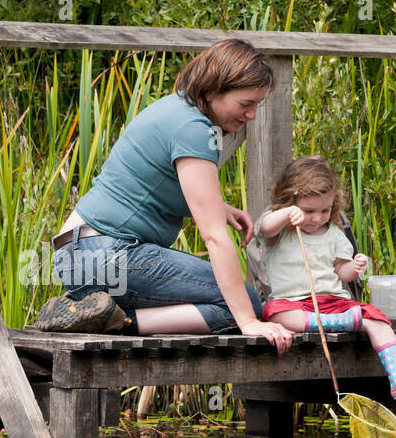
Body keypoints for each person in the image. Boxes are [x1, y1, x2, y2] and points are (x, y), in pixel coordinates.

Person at [36, 38, 293, 353]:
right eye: (245, 104)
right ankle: (119, 322)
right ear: (212, 91)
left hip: (80, 254)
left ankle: (96, 315)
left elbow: (148, 183)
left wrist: (220, 206)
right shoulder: (195, 129)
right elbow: (214, 238)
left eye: (257, 105)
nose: (252, 115)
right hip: (107, 252)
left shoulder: (176, 108)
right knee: (244, 305)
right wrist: (250, 323)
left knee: (237, 303)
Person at [255, 156, 396, 398]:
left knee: (378, 320)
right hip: (293, 303)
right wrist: (287, 213)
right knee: (275, 314)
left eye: (325, 210)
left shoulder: (333, 233)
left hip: (334, 302)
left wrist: (354, 267)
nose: (317, 218)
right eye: (308, 210)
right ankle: (341, 323)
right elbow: (265, 227)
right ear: (290, 201)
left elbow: (340, 272)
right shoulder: (281, 231)